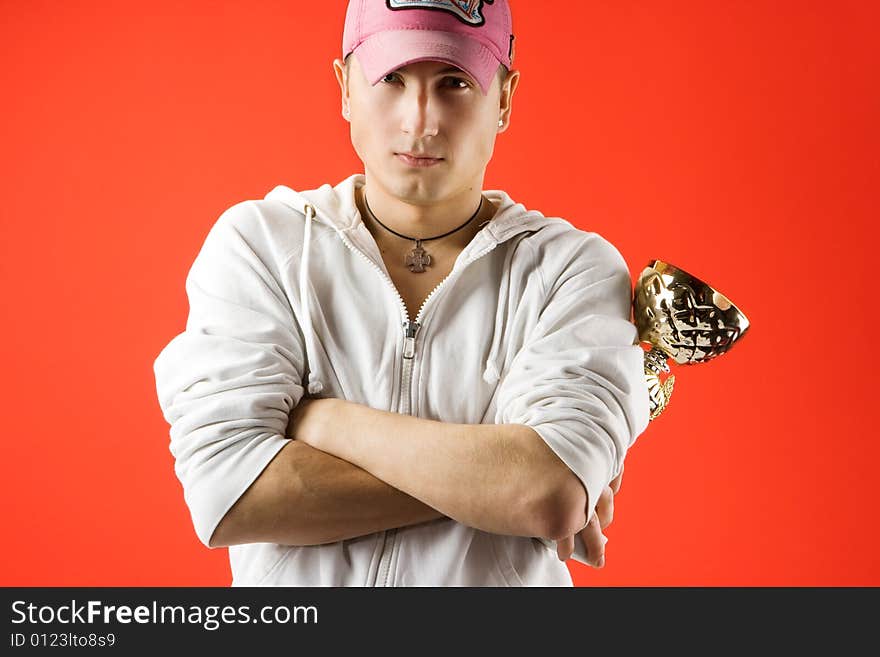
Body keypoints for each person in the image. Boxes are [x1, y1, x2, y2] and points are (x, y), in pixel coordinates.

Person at [153, 0, 649, 586]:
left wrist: (323, 422)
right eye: (391, 78)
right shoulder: (261, 246)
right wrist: (500, 483)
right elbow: (229, 494)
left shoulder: (572, 270)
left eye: (454, 82)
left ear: (505, 98)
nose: (421, 120)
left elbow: (546, 493)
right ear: (344, 87)